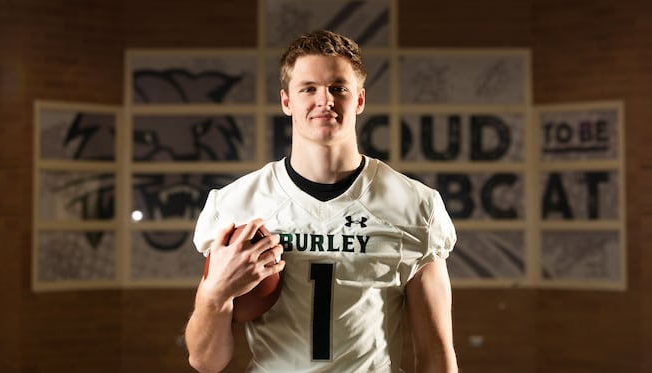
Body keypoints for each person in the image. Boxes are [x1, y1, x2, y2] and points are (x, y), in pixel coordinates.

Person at [185, 29, 458, 373]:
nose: (324, 100)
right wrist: (215, 296)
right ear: (287, 101)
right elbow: (206, 362)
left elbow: (436, 355)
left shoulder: (415, 205)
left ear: (358, 100)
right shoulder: (237, 203)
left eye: (338, 88)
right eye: (309, 88)